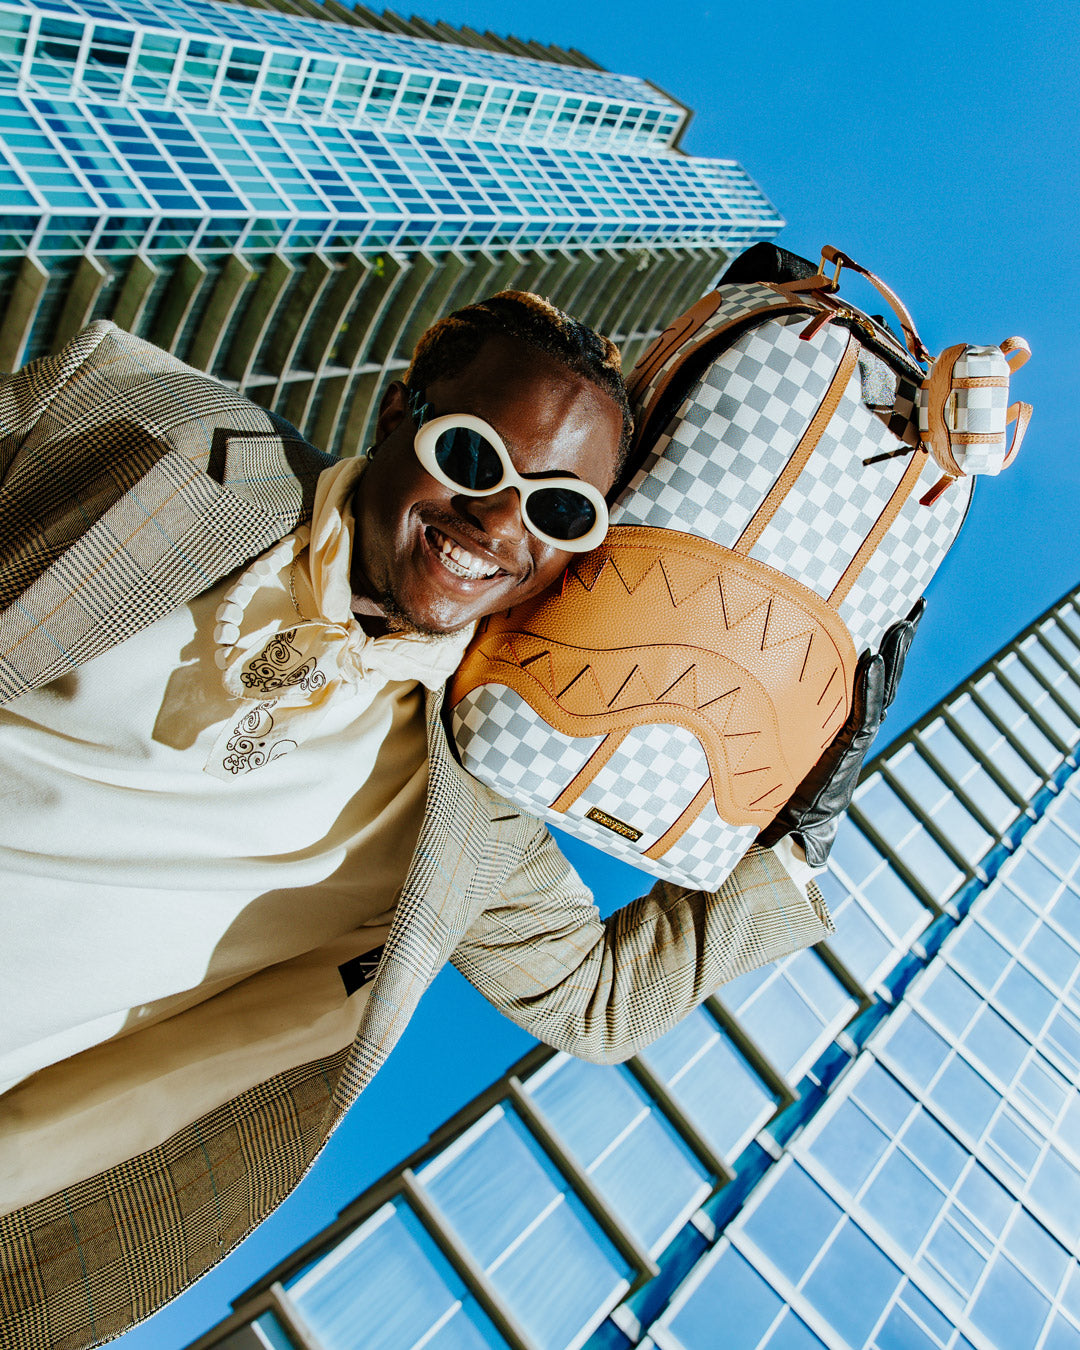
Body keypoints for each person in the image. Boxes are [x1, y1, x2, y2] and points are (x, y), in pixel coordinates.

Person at [0, 292, 909, 1349]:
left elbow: (599, 1003)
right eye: (474, 457)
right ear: (401, 413)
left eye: (560, 511)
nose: (499, 522)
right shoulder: (141, 420)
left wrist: (804, 826)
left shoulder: (465, 804)